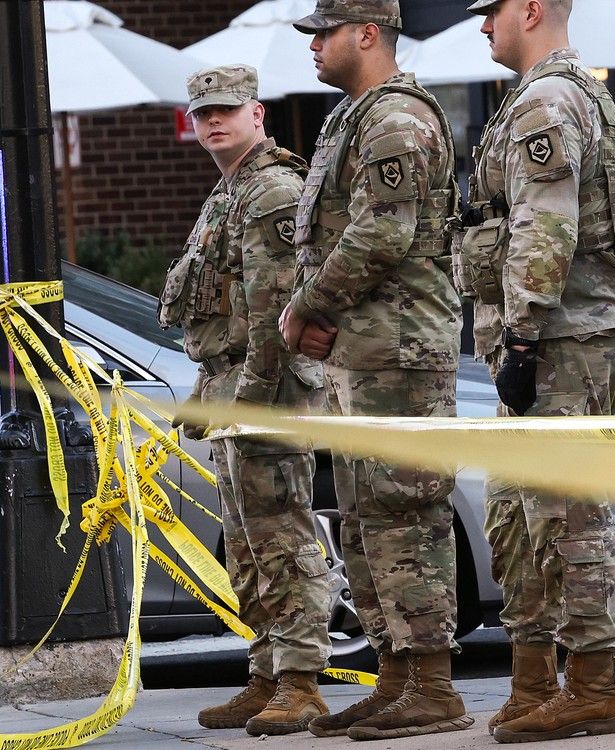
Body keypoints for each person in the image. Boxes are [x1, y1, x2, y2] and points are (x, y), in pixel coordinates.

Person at [278, 0, 472, 740]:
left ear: (367, 34)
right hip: (362, 352)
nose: (313, 46)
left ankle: (433, 685)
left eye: (324, 33)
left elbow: (382, 233)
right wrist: (319, 314)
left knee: (406, 514)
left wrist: (308, 304)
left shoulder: (395, 119)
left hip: (401, 352)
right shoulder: (349, 119)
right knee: (363, 521)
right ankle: (395, 677)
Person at [455, 0, 615, 742]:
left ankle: (594, 685)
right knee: (514, 510)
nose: (482, 26)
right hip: (556, 332)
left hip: (566, 334)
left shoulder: (549, 100)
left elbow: (545, 227)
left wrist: (523, 340)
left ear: (530, 10)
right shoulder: (544, 95)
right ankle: (535, 681)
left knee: (567, 510)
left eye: (492, 11)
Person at [158, 64, 333, 737]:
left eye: (226, 110)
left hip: (266, 392)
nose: (213, 122)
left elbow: (272, 318)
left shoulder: (270, 192)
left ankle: (301, 682)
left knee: (281, 539)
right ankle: (266, 673)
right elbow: (219, 308)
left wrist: (252, 402)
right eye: (202, 114)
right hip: (231, 388)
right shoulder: (229, 191)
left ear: (257, 114)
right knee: (247, 545)